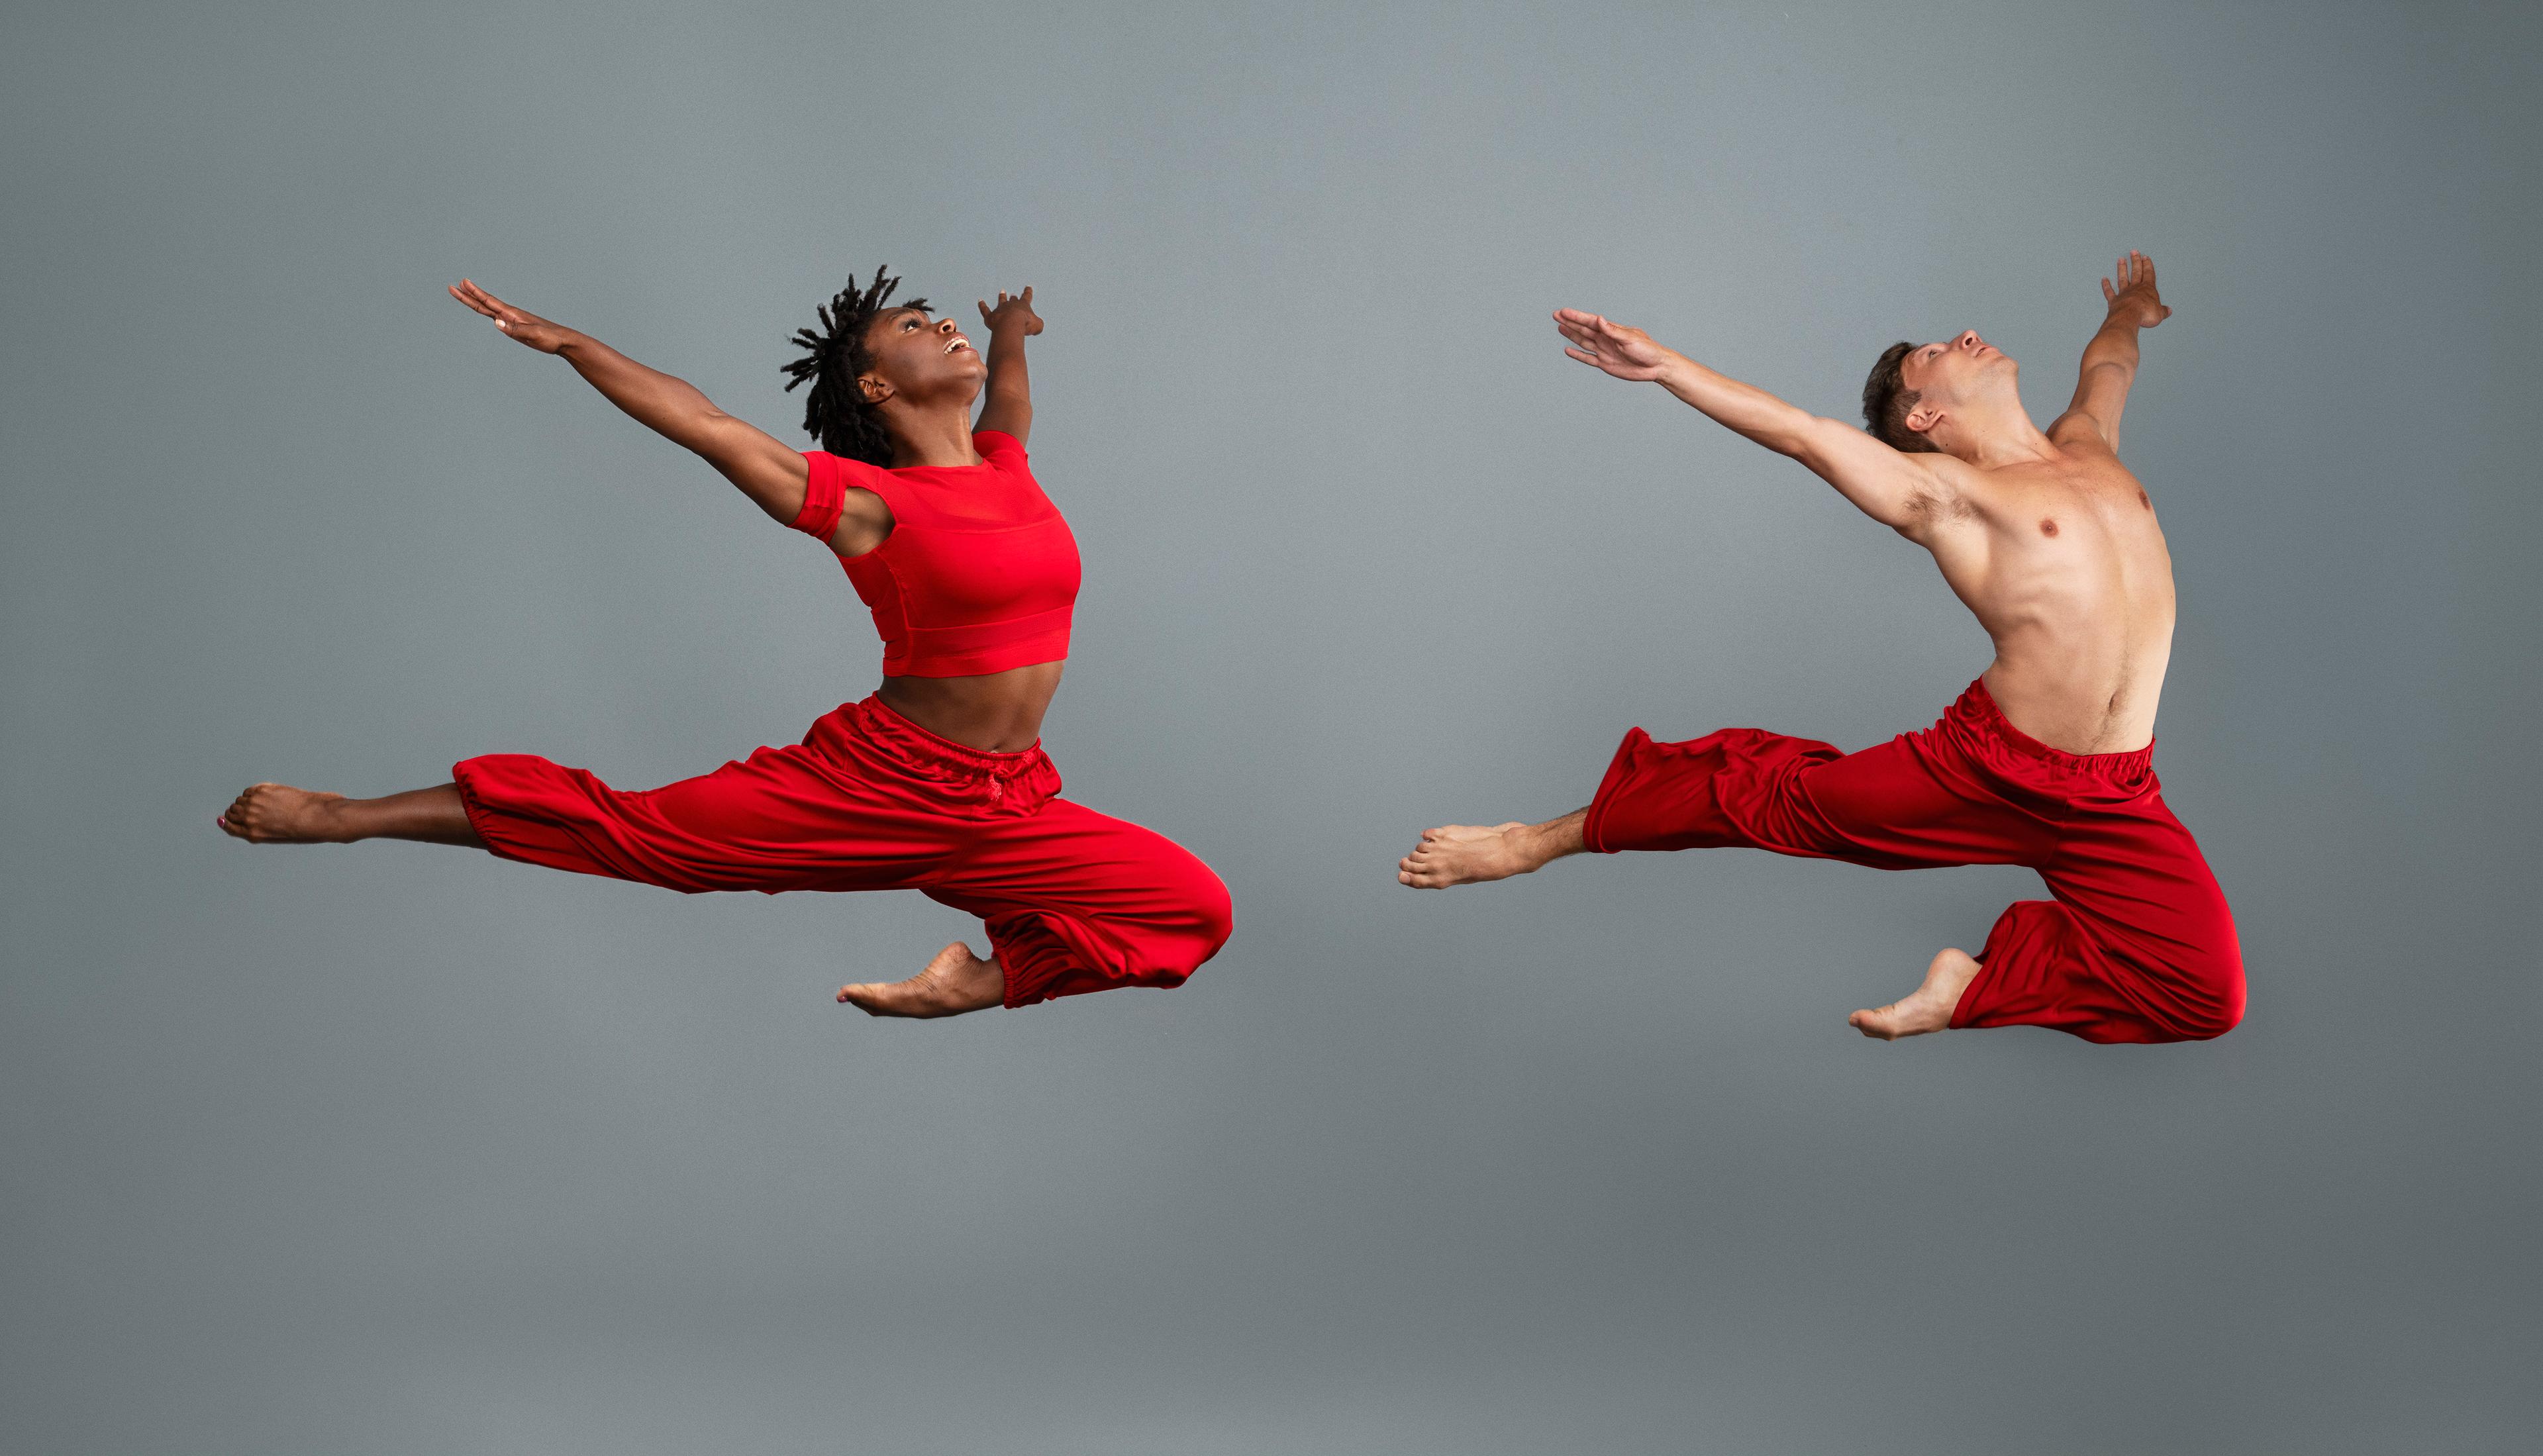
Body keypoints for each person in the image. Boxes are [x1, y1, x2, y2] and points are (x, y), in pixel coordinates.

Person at [219, 267, 1230, 1018]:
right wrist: (577, 346)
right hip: (879, 785)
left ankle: (976, 982)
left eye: (943, 317)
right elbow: (706, 425)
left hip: (1011, 802)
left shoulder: (1006, 463)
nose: (945, 326)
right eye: (916, 327)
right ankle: (343, 814)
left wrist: (1013, 330)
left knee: (1194, 909)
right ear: (876, 389)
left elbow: (1013, 397)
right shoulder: (869, 503)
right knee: (641, 834)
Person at [1398, 253, 2242, 1043]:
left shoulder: (2089, 446)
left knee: (2208, 995)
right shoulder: (1950, 496)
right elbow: (1803, 433)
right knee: (1762, 800)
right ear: (1925, 416)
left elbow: (2110, 365)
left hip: (2112, 796)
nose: (1968, 337)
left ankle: (1973, 986)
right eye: (1939, 353)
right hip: (1982, 769)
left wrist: (2132, 309)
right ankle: (1527, 844)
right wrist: (1668, 366)